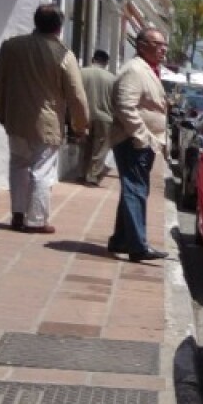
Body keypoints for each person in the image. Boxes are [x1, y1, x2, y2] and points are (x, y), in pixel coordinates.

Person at [0, 3, 90, 234]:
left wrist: (0, 111)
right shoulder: (63, 54)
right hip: (47, 123)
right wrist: (80, 125)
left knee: (18, 164)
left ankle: (17, 213)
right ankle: (35, 220)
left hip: (15, 118)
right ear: (59, 27)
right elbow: (76, 94)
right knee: (42, 171)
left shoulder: (11, 46)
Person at [108, 28, 169, 262]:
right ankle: (137, 244)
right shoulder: (134, 70)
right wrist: (141, 136)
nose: (162, 49)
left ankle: (121, 239)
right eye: (157, 44)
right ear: (142, 45)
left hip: (144, 142)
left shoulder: (148, 70)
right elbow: (125, 106)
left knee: (132, 190)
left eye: (164, 45)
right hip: (133, 141)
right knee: (136, 190)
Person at [79, 50, 114, 186]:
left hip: (84, 115)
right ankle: (92, 176)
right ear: (106, 62)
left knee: (85, 146)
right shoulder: (111, 78)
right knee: (100, 148)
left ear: (93, 59)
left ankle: (82, 173)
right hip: (105, 117)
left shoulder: (82, 73)